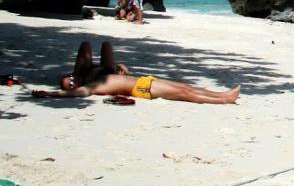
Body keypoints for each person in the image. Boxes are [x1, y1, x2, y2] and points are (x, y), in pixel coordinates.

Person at [33, 71, 240, 105]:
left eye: (68, 78)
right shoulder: (89, 87)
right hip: (141, 90)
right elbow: (76, 94)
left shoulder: (91, 76)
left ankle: (223, 94)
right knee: (184, 94)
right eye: (68, 84)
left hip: (144, 81)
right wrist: (51, 93)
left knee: (185, 86)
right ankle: (223, 100)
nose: (70, 81)